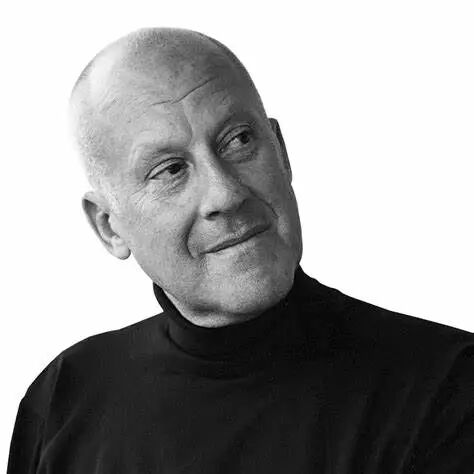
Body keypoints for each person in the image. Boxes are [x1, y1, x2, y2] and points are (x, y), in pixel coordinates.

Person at [7, 27, 474, 474]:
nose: (226, 194)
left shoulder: (450, 388)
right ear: (109, 227)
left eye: (239, 140)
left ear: (281, 152)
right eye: (170, 170)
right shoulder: (63, 398)